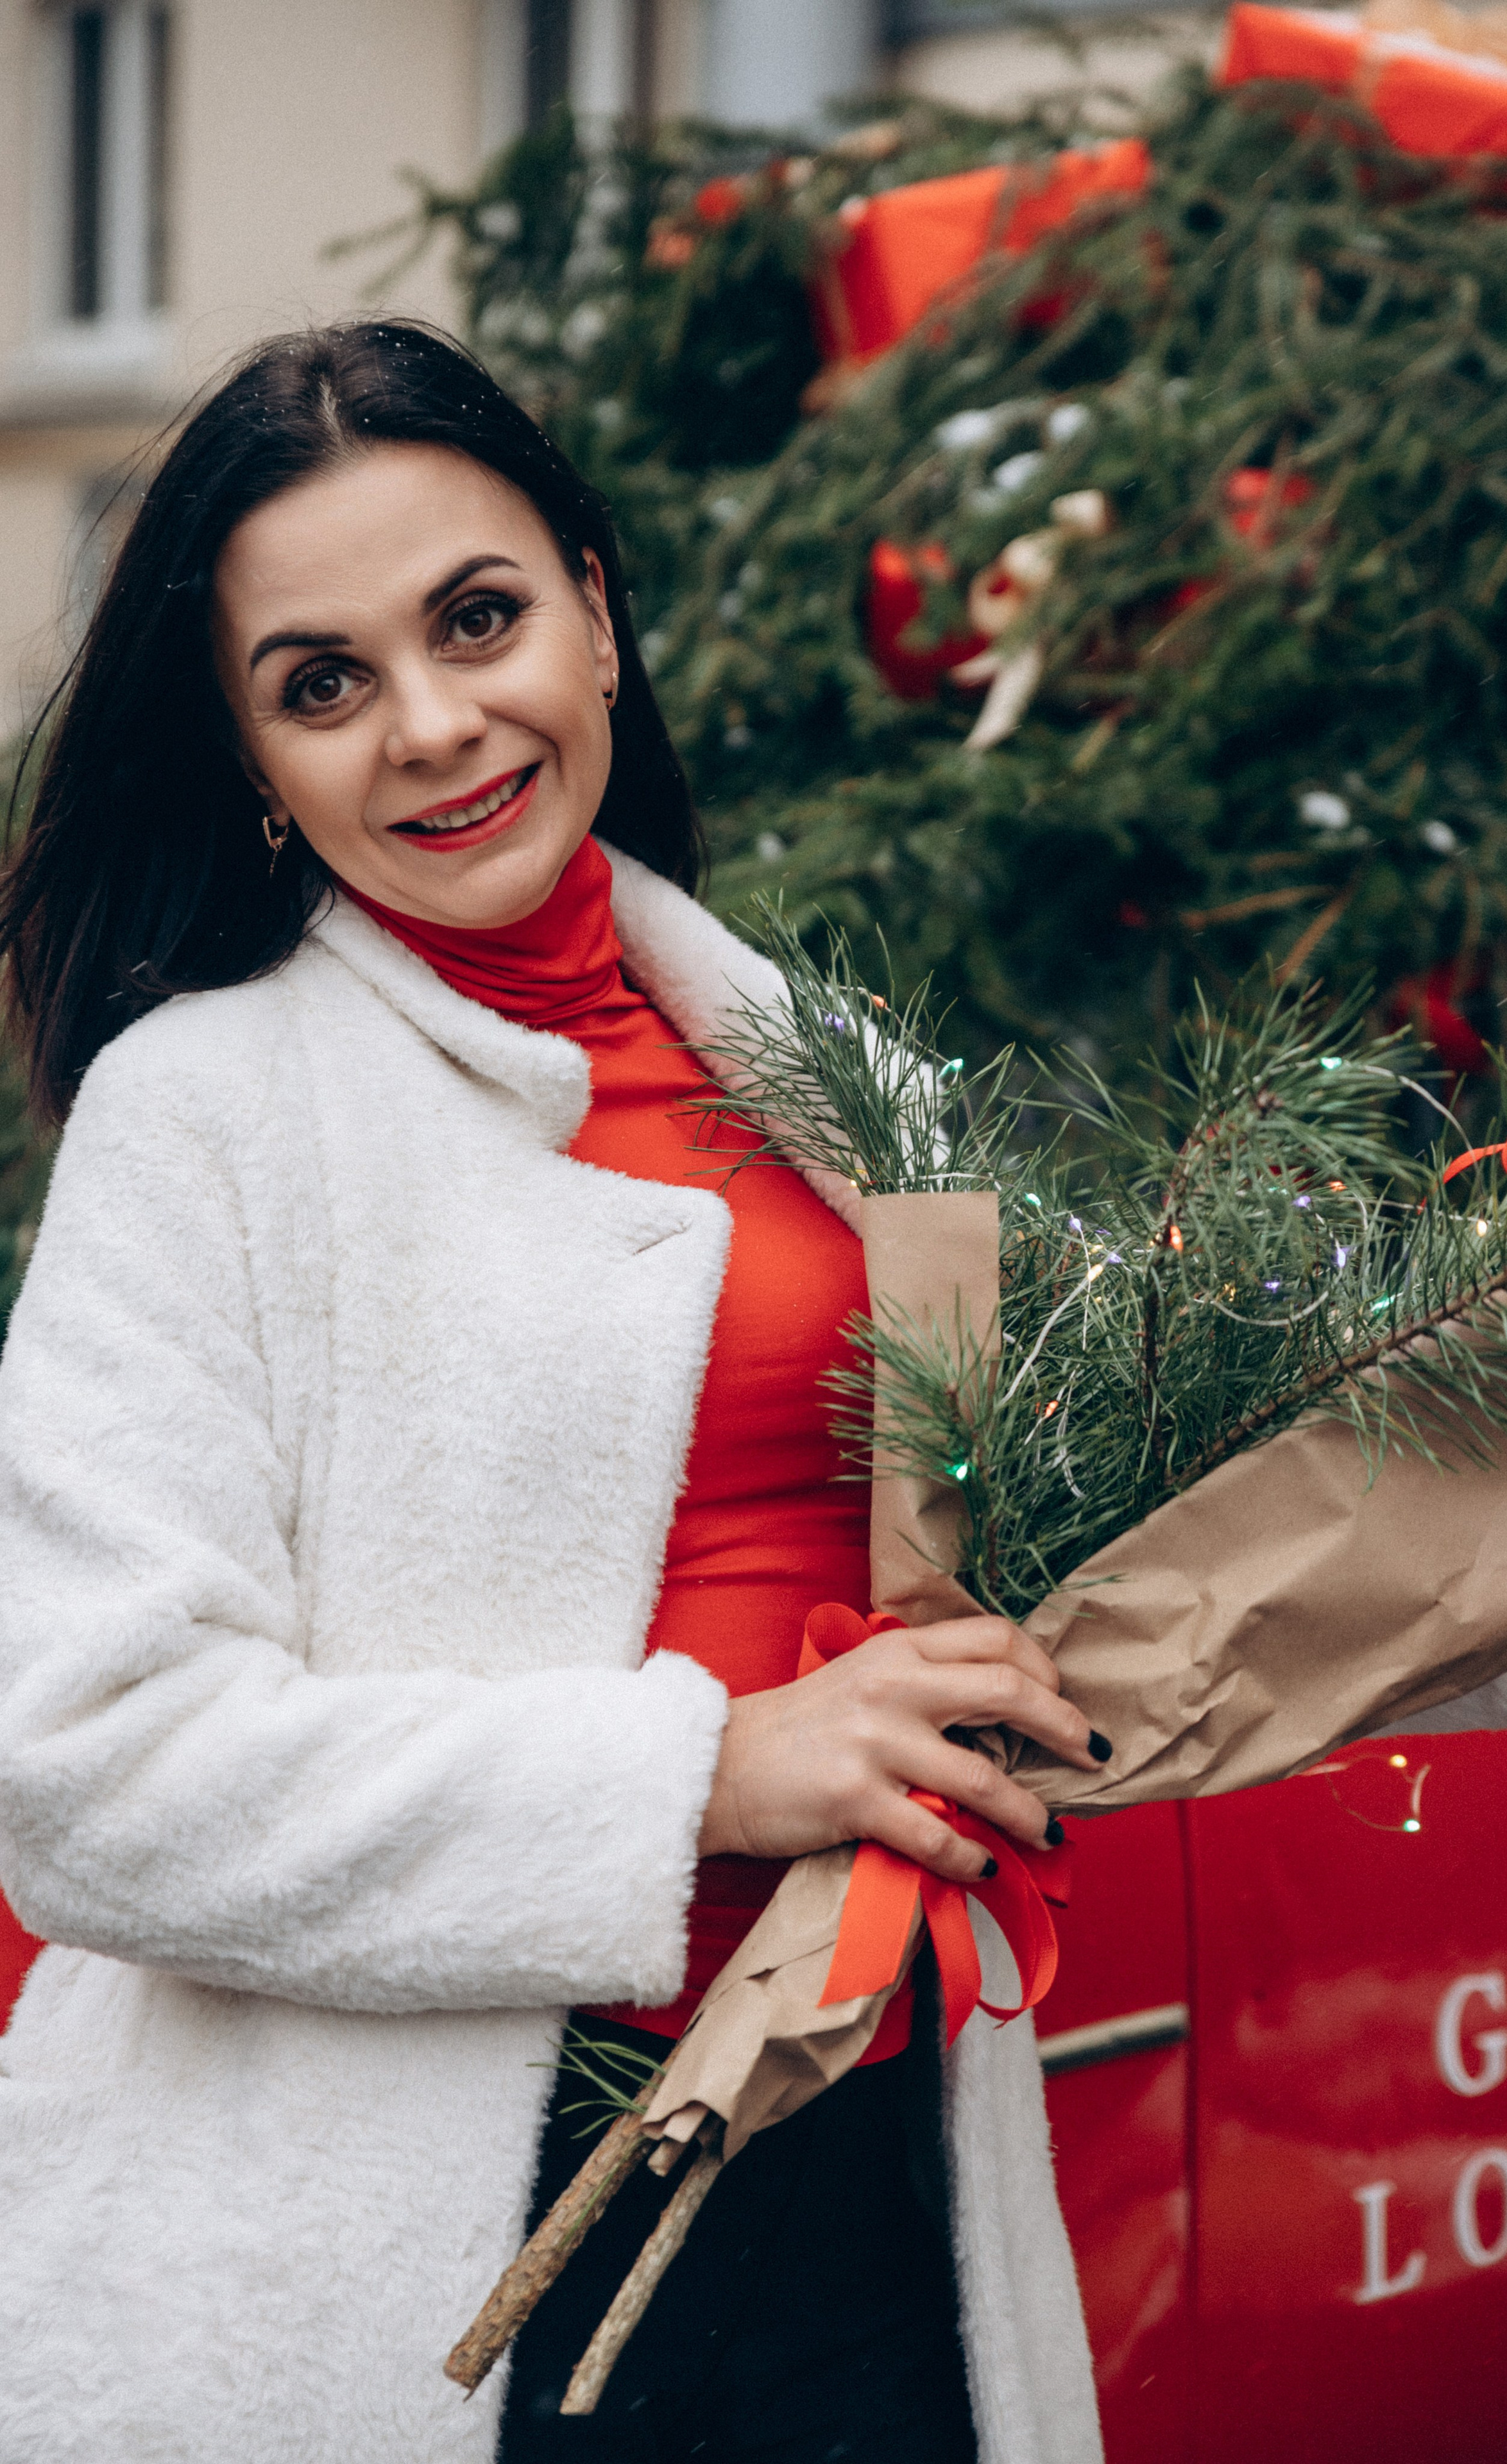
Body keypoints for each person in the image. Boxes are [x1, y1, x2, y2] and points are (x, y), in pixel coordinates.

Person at [0, 321, 1106, 2464]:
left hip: (871, 2159)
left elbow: (1064, 1549)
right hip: (436, 2266)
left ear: (596, 610)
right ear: (251, 754)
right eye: (321, 683)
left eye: (479, 618)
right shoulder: (209, 1114)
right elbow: (88, 1768)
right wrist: (709, 1772)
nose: (431, 727)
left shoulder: (820, 1068)